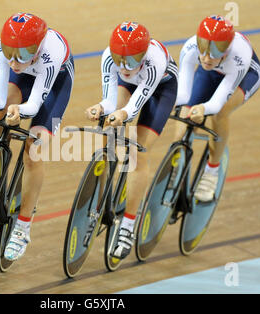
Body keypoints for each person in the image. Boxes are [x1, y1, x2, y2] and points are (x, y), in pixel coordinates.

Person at [0, 13, 74, 261]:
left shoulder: (51, 52)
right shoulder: (5, 50)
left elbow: (33, 106)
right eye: (10, 53)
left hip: (53, 88)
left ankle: (23, 226)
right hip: (25, 80)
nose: (14, 61)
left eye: (22, 54)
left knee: (33, 151)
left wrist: (18, 111)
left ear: (38, 46)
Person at [85, 22, 178, 259]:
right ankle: (101, 199)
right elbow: (109, 99)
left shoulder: (154, 60)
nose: (125, 66)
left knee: (138, 153)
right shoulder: (109, 57)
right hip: (131, 86)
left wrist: (122, 114)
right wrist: (101, 107)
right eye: (120, 59)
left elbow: (133, 107)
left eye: (132, 60)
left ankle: (128, 226)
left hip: (160, 91)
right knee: (109, 126)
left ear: (144, 54)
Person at [175, 15, 260, 201]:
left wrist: (203, 109)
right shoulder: (190, 48)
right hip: (212, 72)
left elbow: (216, 103)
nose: (206, 58)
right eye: (203, 51)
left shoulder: (239, 58)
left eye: (214, 53)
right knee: (184, 113)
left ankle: (211, 172)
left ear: (227, 49)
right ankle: (176, 162)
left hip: (244, 75)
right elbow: (182, 94)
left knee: (219, 113)